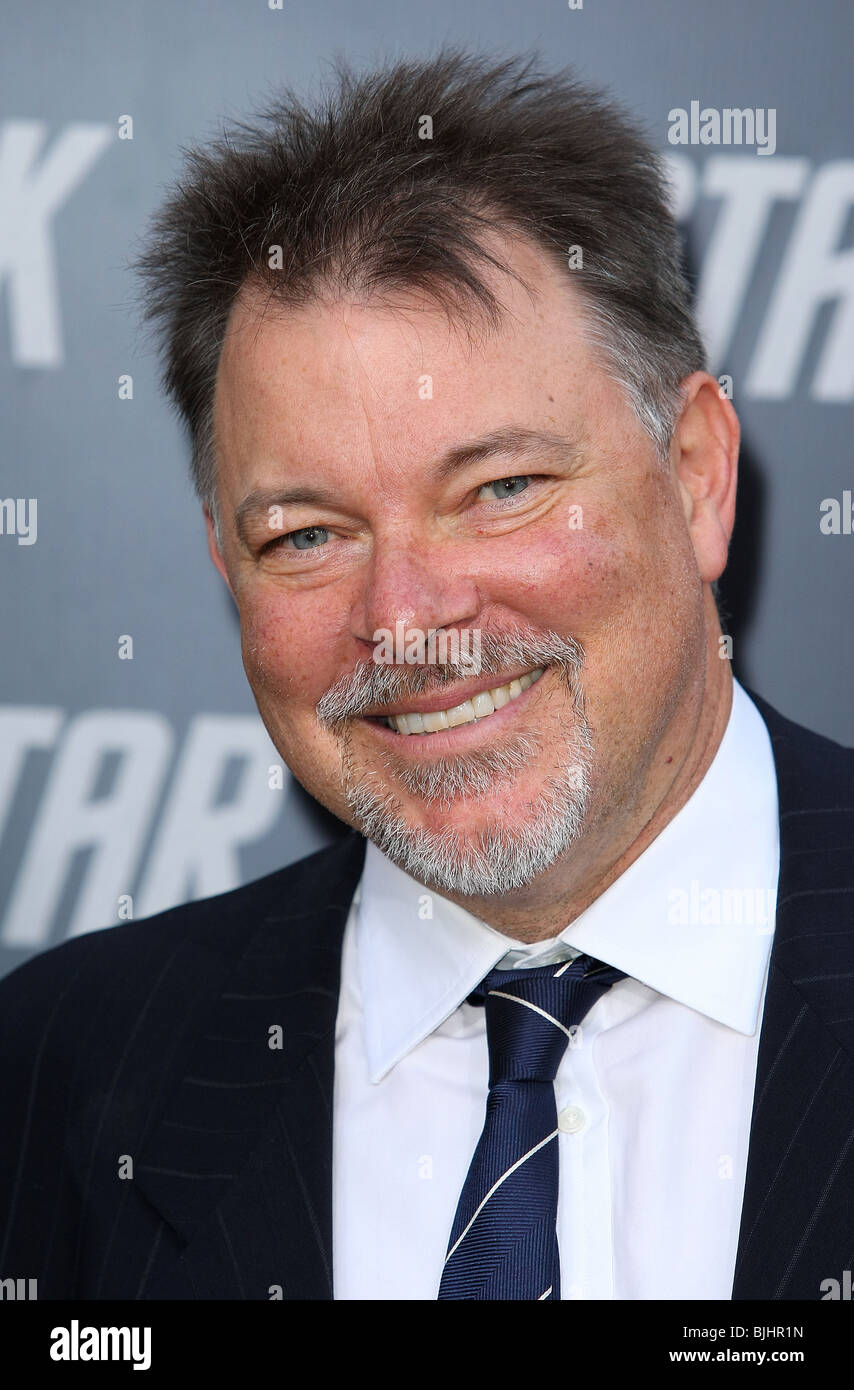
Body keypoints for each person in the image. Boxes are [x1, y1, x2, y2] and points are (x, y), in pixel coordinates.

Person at [2, 50, 852, 1302]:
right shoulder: (59, 1076)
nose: (406, 621)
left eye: (499, 489)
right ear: (225, 568)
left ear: (694, 475)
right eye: (306, 535)